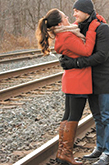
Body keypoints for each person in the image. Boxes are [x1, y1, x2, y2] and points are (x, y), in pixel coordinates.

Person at [35, 8, 100, 165]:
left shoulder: (63, 34)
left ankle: (62, 154)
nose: (69, 18)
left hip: (72, 80)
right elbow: (87, 50)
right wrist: (91, 30)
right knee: (73, 118)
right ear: (60, 22)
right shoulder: (66, 35)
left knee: (68, 117)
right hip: (77, 81)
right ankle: (66, 155)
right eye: (65, 17)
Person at [59, 0, 109, 165]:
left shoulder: (103, 29)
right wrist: (65, 58)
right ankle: (100, 148)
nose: (74, 14)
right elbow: (74, 49)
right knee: (97, 116)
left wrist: (76, 63)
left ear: (86, 11)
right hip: (88, 80)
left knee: (107, 116)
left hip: (105, 80)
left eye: (77, 10)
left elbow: (101, 56)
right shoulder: (78, 29)